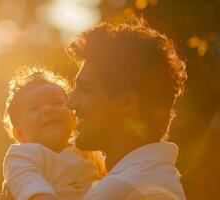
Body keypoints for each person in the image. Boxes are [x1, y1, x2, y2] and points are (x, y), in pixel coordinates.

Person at [66, 17, 187, 199]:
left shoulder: (115, 191)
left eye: (85, 90)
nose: (70, 102)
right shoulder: (160, 177)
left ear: (126, 102)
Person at [0, 66, 106, 200]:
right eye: (34, 109)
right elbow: (29, 185)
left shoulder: (88, 150)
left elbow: (112, 177)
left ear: (74, 118)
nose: (48, 110)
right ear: (20, 134)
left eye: (57, 103)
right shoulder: (22, 156)